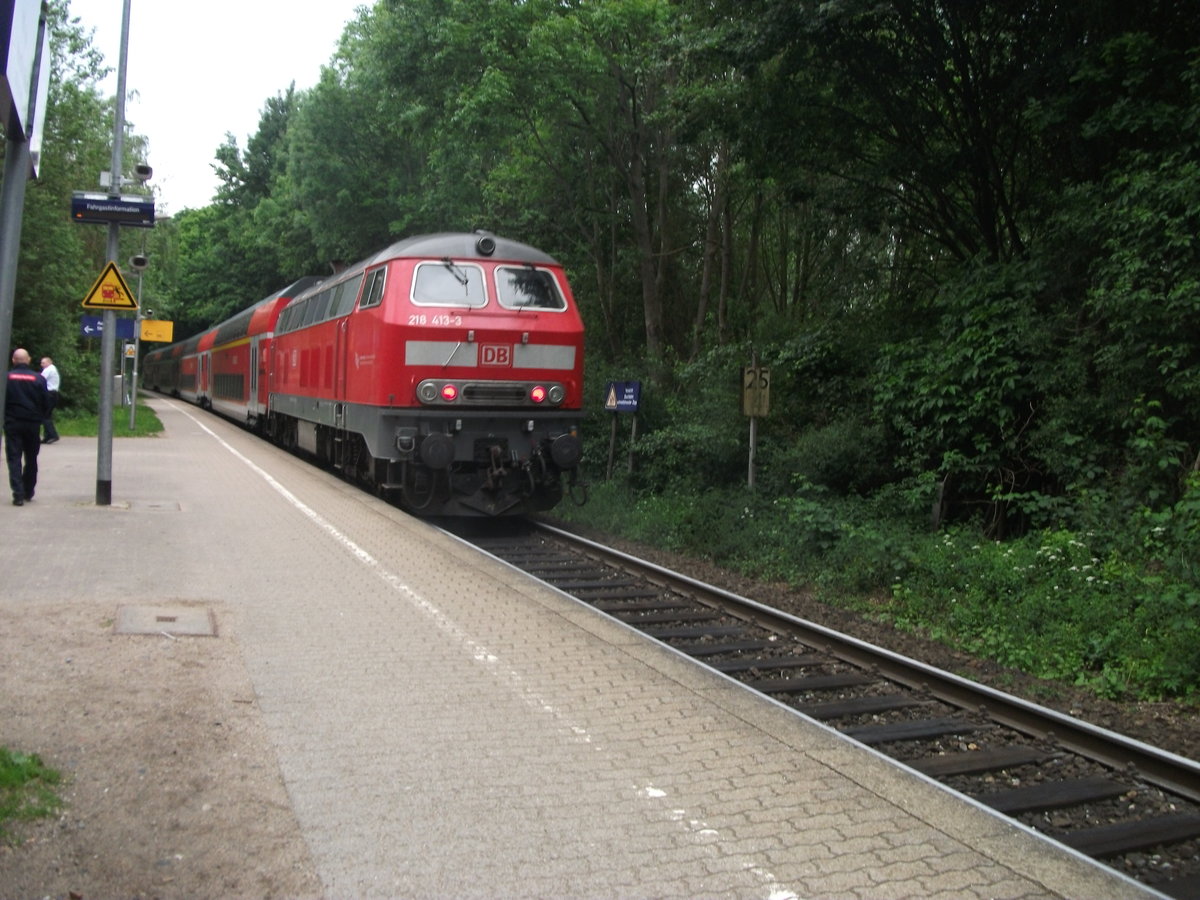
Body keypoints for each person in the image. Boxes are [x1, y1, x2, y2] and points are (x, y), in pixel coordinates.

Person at [5, 348, 49, 506]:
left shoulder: (7, 378)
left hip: (13, 422)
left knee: (14, 458)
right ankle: (28, 491)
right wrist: (42, 417)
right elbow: (46, 401)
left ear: (13, 360)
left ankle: (17, 493)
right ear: (28, 360)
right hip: (32, 423)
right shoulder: (38, 379)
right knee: (31, 458)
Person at [40, 355, 60, 443]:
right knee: (47, 415)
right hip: (53, 394)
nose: (42, 364)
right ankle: (47, 436)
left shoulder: (49, 369)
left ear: (49, 362)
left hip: (49, 394)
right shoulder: (53, 369)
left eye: (43, 363)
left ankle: (53, 435)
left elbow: (40, 379)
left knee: (45, 416)